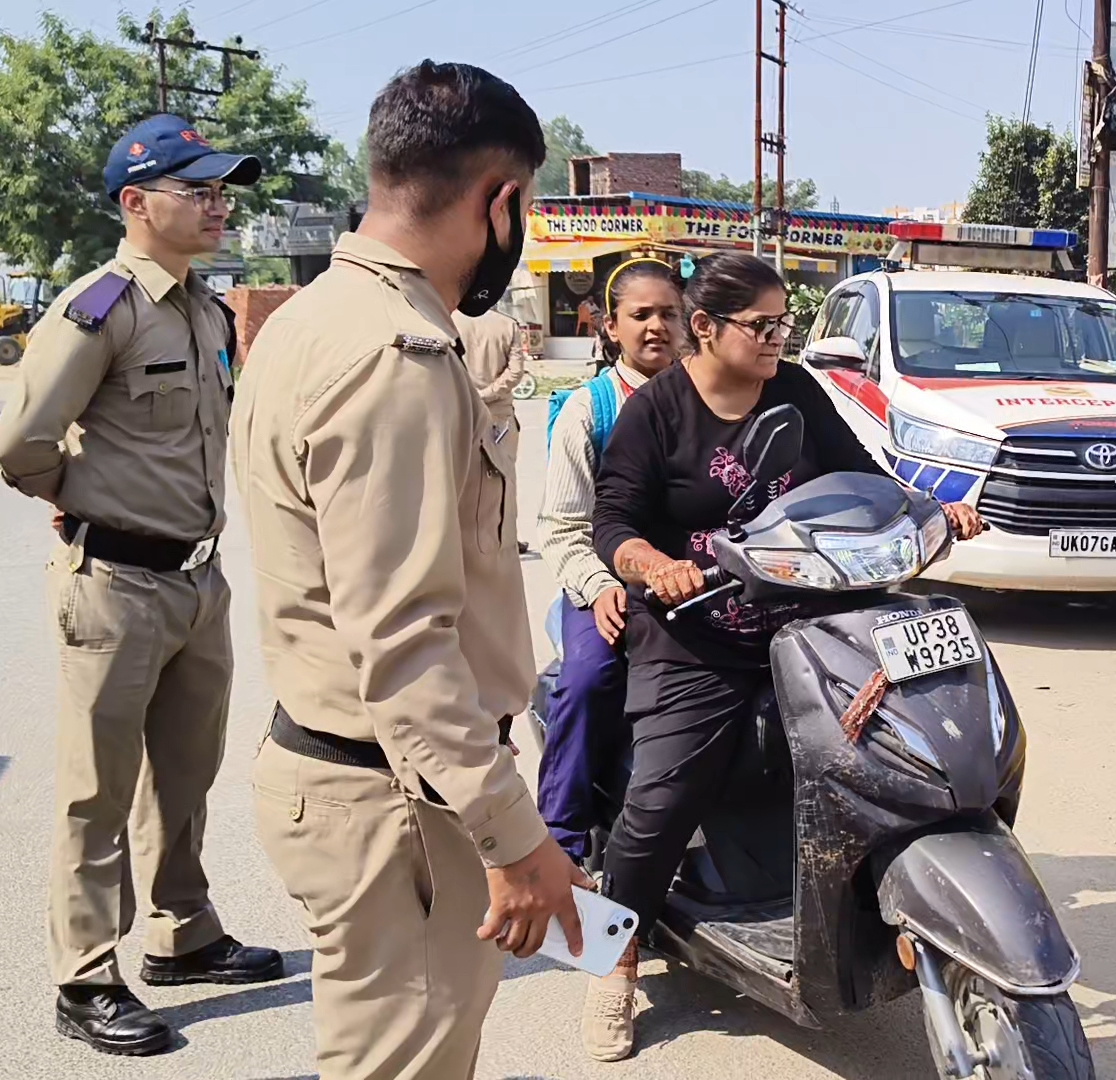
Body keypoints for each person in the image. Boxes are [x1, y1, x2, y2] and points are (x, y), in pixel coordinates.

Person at [232, 61, 588, 1080]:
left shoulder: (312, 318)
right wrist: (513, 837)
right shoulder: (398, 355)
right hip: (399, 801)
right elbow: (405, 646)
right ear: (501, 202)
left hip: (365, 775)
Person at [587, 251, 983, 1056]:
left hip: (807, 617)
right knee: (663, 797)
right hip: (696, 633)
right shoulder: (658, 410)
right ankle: (610, 958)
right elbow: (613, 521)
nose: (777, 340)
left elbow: (863, 479)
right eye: (760, 326)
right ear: (706, 327)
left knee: (898, 743)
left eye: (783, 325)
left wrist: (932, 510)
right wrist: (652, 565)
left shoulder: (796, 390)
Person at [0, 114, 284, 1056]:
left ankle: (182, 932)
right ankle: (84, 978)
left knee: (187, 774)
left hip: (198, 581)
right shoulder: (102, 306)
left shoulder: (205, 309)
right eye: (197, 190)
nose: (218, 205)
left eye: (221, 190)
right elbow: (19, 442)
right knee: (97, 793)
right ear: (136, 202)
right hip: (115, 583)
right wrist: (75, 496)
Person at [537, 258, 684, 864]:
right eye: (640, 314)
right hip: (608, 583)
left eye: (668, 313)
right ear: (611, 326)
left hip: (701, 581)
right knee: (589, 679)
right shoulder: (589, 409)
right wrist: (599, 586)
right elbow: (563, 528)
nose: (656, 326)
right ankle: (560, 842)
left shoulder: (716, 395)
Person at [453, 305, 530, 553]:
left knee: (459, 478)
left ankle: (461, 539)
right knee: (505, 478)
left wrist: (470, 395)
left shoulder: (449, 319)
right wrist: (488, 393)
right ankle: (507, 537)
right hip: (499, 414)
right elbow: (515, 372)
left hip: (460, 409)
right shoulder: (507, 325)